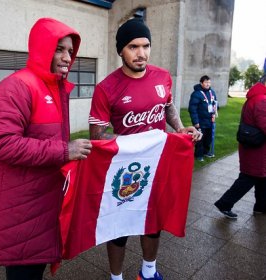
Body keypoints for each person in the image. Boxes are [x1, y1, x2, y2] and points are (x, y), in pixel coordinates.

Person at [0, 18, 92, 280]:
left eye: (70, 52)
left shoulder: (56, 86)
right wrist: (65, 151)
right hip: (20, 211)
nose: (66, 57)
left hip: (41, 205)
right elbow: (0, 143)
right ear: (42, 47)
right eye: (59, 49)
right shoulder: (16, 86)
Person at [88, 17, 202, 280]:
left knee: (153, 221)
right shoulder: (106, 88)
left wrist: (179, 127)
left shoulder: (162, 76)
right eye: (133, 47)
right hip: (126, 170)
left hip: (158, 164)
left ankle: (148, 272)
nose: (141, 53)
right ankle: (115, 277)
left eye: (146, 45)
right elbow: (98, 138)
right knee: (119, 227)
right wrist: (129, 144)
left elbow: (168, 105)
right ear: (120, 51)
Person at [214, 75, 266, 219]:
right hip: (256, 150)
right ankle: (225, 203)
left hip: (254, 148)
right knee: (248, 179)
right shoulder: (262, 100)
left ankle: (261, 207)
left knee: (262, 179)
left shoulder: (257, 97)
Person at [188, 75, 218, 161]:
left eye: (209, 82)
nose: (208, 84)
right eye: (206, 82)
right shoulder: (196, 94)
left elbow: (215, 103)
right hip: (200, 120)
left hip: (210, 120)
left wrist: (216, 108)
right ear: (201, 83)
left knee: (208, 138)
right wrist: (195, 122)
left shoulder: (212, 92)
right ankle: (198, 155)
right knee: (200, 138)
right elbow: (192, 109)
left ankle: (205, 152)